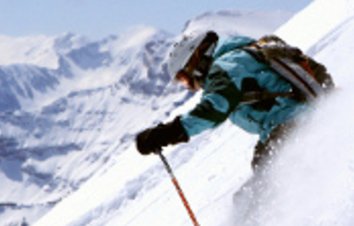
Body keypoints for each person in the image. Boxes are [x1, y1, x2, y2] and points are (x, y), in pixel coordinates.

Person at [135, 29, 325, 171]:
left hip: (293, 124)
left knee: (259, 196)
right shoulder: (238, 57)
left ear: (195, 61)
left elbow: (214, 109)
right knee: (255, 190)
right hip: (291, 123)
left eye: (184, 78)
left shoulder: (227, 65)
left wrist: (168, 133)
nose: (189, 86)